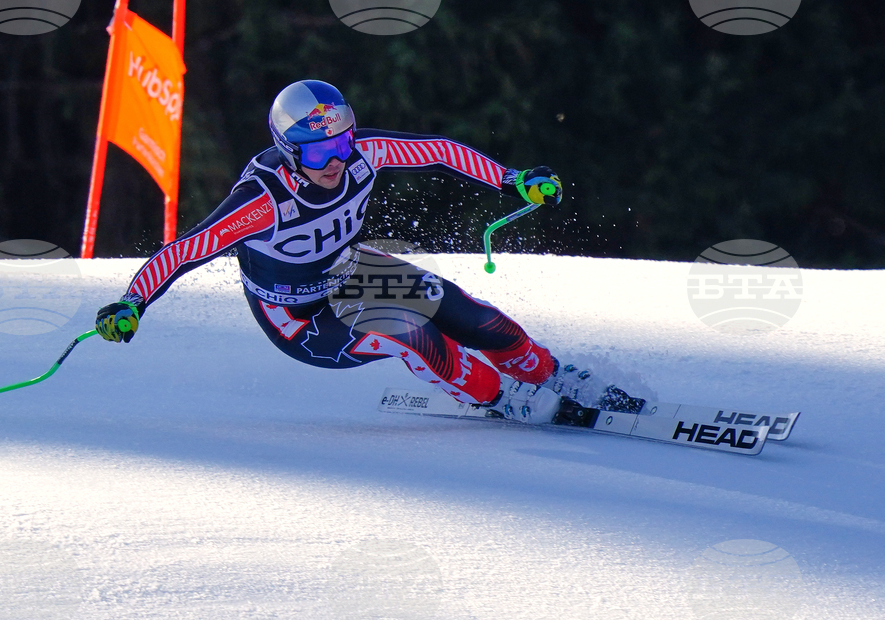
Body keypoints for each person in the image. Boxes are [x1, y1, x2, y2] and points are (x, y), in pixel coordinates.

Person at [95, 80, 638, 423]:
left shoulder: (361, 153)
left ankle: (547, 372)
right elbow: (184, 250)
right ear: (288, 151)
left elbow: (439, 151)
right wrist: (132, 303)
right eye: (319, 150)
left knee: (461, 311)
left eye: (342, 142)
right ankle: (497, 396)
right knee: (409, 332)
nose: (336, 161)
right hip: (297, 318)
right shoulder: (263, 202)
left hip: (349, 274)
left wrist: (513, 179)